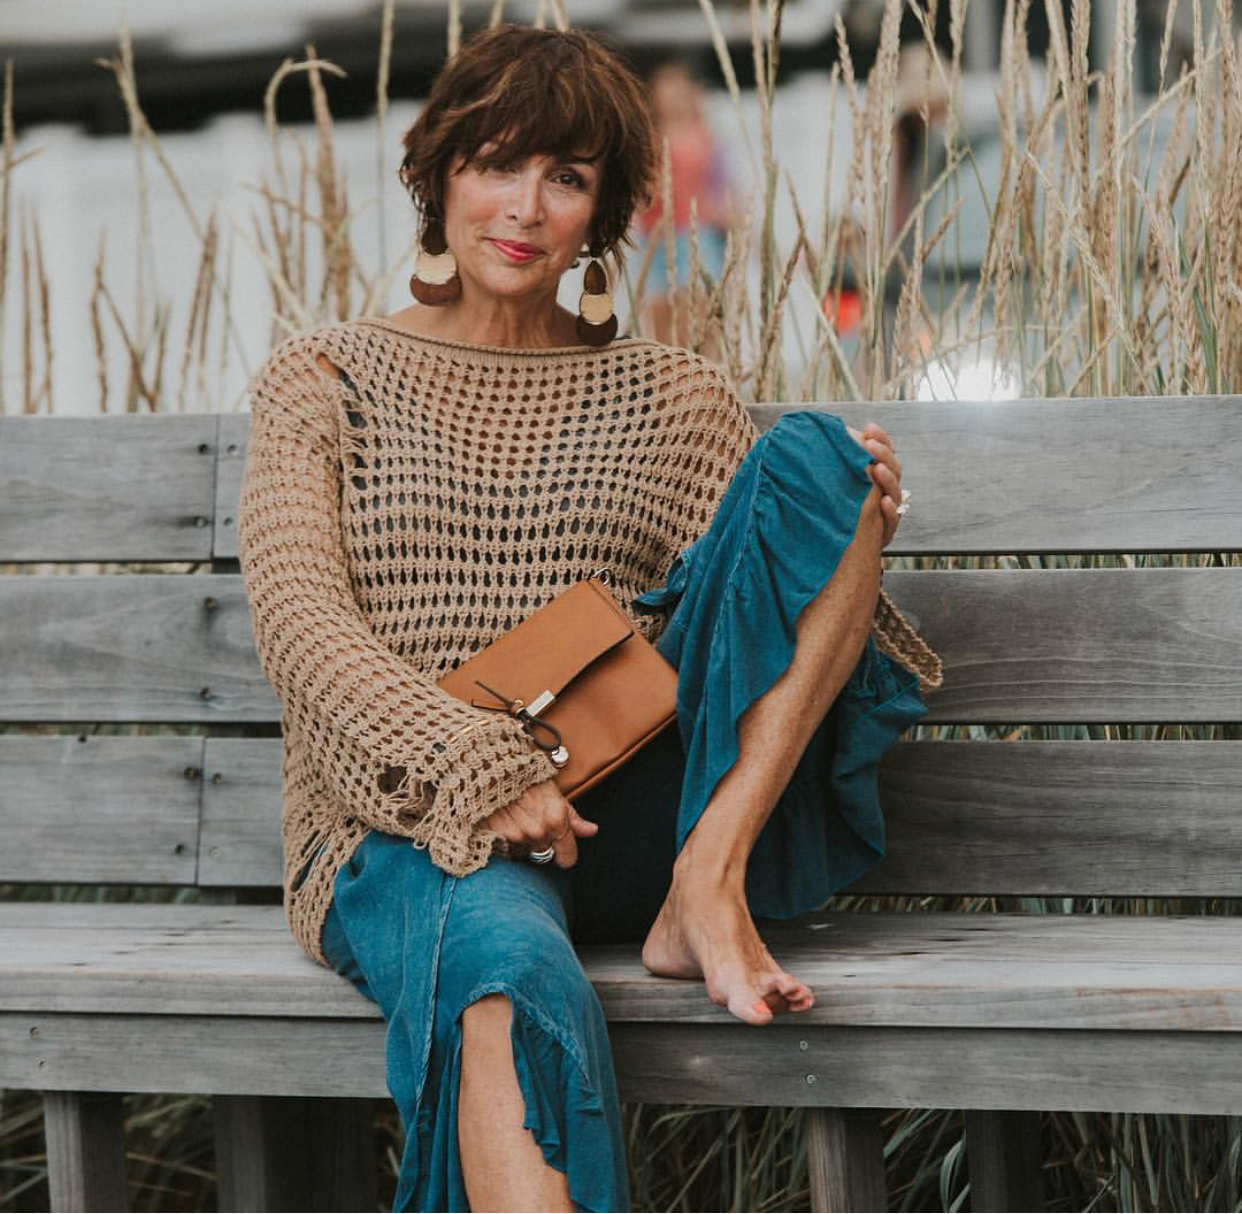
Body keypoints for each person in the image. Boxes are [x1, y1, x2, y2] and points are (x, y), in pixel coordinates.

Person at [236, 23, 942, 1214]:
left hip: (635, 813)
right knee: (504, 971)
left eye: (565, 177)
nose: (523, 206)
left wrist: (856, 513)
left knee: (821, 459)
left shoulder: (671, 394)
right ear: (437, 177)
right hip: (407, 821)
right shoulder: (326, 379)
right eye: (495, 164)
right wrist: (473, 763)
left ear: (603, 212)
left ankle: (702, 892)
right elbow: (302, 623)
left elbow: (793, 621)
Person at [633, 58, 734, 347]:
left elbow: (722, 181)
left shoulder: (703, 133)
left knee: (700, 303)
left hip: (695, 231)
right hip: (655, 234)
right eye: (666, 87)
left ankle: (704, 364)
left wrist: (731, 217)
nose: (672, 95)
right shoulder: (648, 135)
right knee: (659, 308)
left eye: (678, 87)